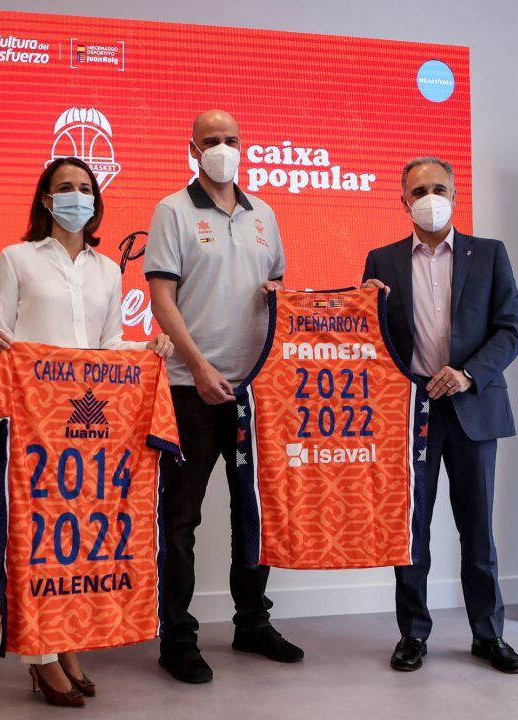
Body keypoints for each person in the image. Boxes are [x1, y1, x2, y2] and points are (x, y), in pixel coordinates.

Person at [0, 156, 174, 707]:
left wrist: (148, 349)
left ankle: (66, 643)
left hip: (87, 433)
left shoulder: (108, 270)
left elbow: (108, 346)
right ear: (45, 199)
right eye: (64, 187)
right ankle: (38, 657)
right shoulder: (16, 259)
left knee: (77, 540)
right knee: (33, 541)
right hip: (34, 425)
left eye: (84, 188)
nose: (76, 195)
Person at [144, 109, 304, 684]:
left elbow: (279, 292)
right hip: (192, 389)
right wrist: (198, 366)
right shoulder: (173, 210)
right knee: (181, 517)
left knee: (253, 513)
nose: (222, 148)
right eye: (211, 140)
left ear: (245, 147)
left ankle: (252, 624)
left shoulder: (265, 214)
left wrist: (280, 297)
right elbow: (163, 297)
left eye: (231, 139)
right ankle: (176, 636)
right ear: (193, 149)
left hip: (256, 393)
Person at [361, 156, 518, 674]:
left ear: (454, 194)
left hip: (474, 407)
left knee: (478, 531)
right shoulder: (381, 261)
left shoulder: (491, 254)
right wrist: (362, 308)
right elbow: (371, 340)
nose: (429, 197)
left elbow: (510, 329)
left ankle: (488, 634)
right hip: (411, 413)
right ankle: (412, 634)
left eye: (439, 188)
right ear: (403, 200)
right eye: (418, 190)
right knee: (412, 531)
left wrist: (468, 373)